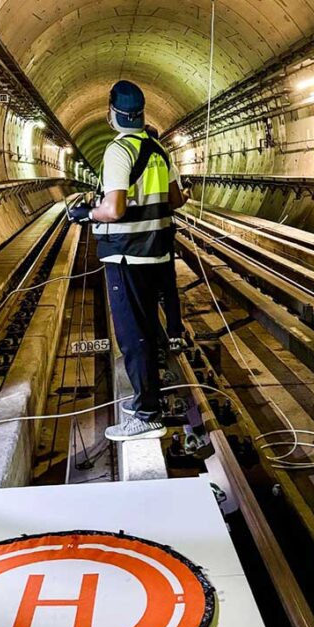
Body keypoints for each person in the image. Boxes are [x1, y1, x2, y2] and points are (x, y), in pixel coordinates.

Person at [69, 81, 187, 441]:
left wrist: (86, 213)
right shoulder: (157, 149)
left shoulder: (119, 151)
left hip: (126, 254)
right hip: (155, 253)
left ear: (112, 113)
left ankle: (147, 413)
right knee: (150, 327)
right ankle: (148, 398)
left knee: (133, 335)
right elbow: (177, 199)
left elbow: (114, 208)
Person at [145, 124, 190, 352]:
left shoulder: (124, 157)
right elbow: (175, 201)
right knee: (168, 285)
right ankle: (174, 333)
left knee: (144, 287)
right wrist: (186, 195)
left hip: (134, 239)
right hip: (161, 232)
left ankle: (148, 335)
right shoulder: (164, 160)